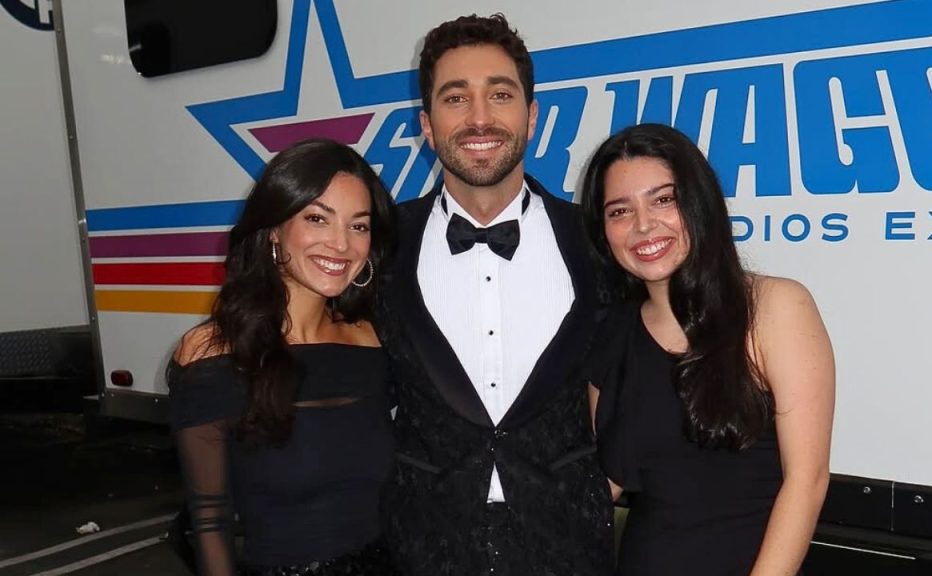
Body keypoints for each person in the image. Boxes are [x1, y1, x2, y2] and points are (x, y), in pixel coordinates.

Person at [378, 13, 614, 576]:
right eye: (455, 98)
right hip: (419, 547)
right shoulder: (380, 245)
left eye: (500, 95)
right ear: (427, 126)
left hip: (571, 548)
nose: (479, 118)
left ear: (531, 117)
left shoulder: (599, 241)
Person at [580, 124, 835, 576]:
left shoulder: (775, 307)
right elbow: (606, 481)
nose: (643, 225)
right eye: (620, 210)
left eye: (663, 199)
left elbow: (807, 482)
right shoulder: (613, 331)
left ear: (699, 202)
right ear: (604, 231)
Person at [168, 139, 399, 576]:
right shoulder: (211, 353)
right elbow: (210, 518)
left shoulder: (371, 341)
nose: (341, 245)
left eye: (359, 226)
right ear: (274, 228)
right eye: (317, 219)